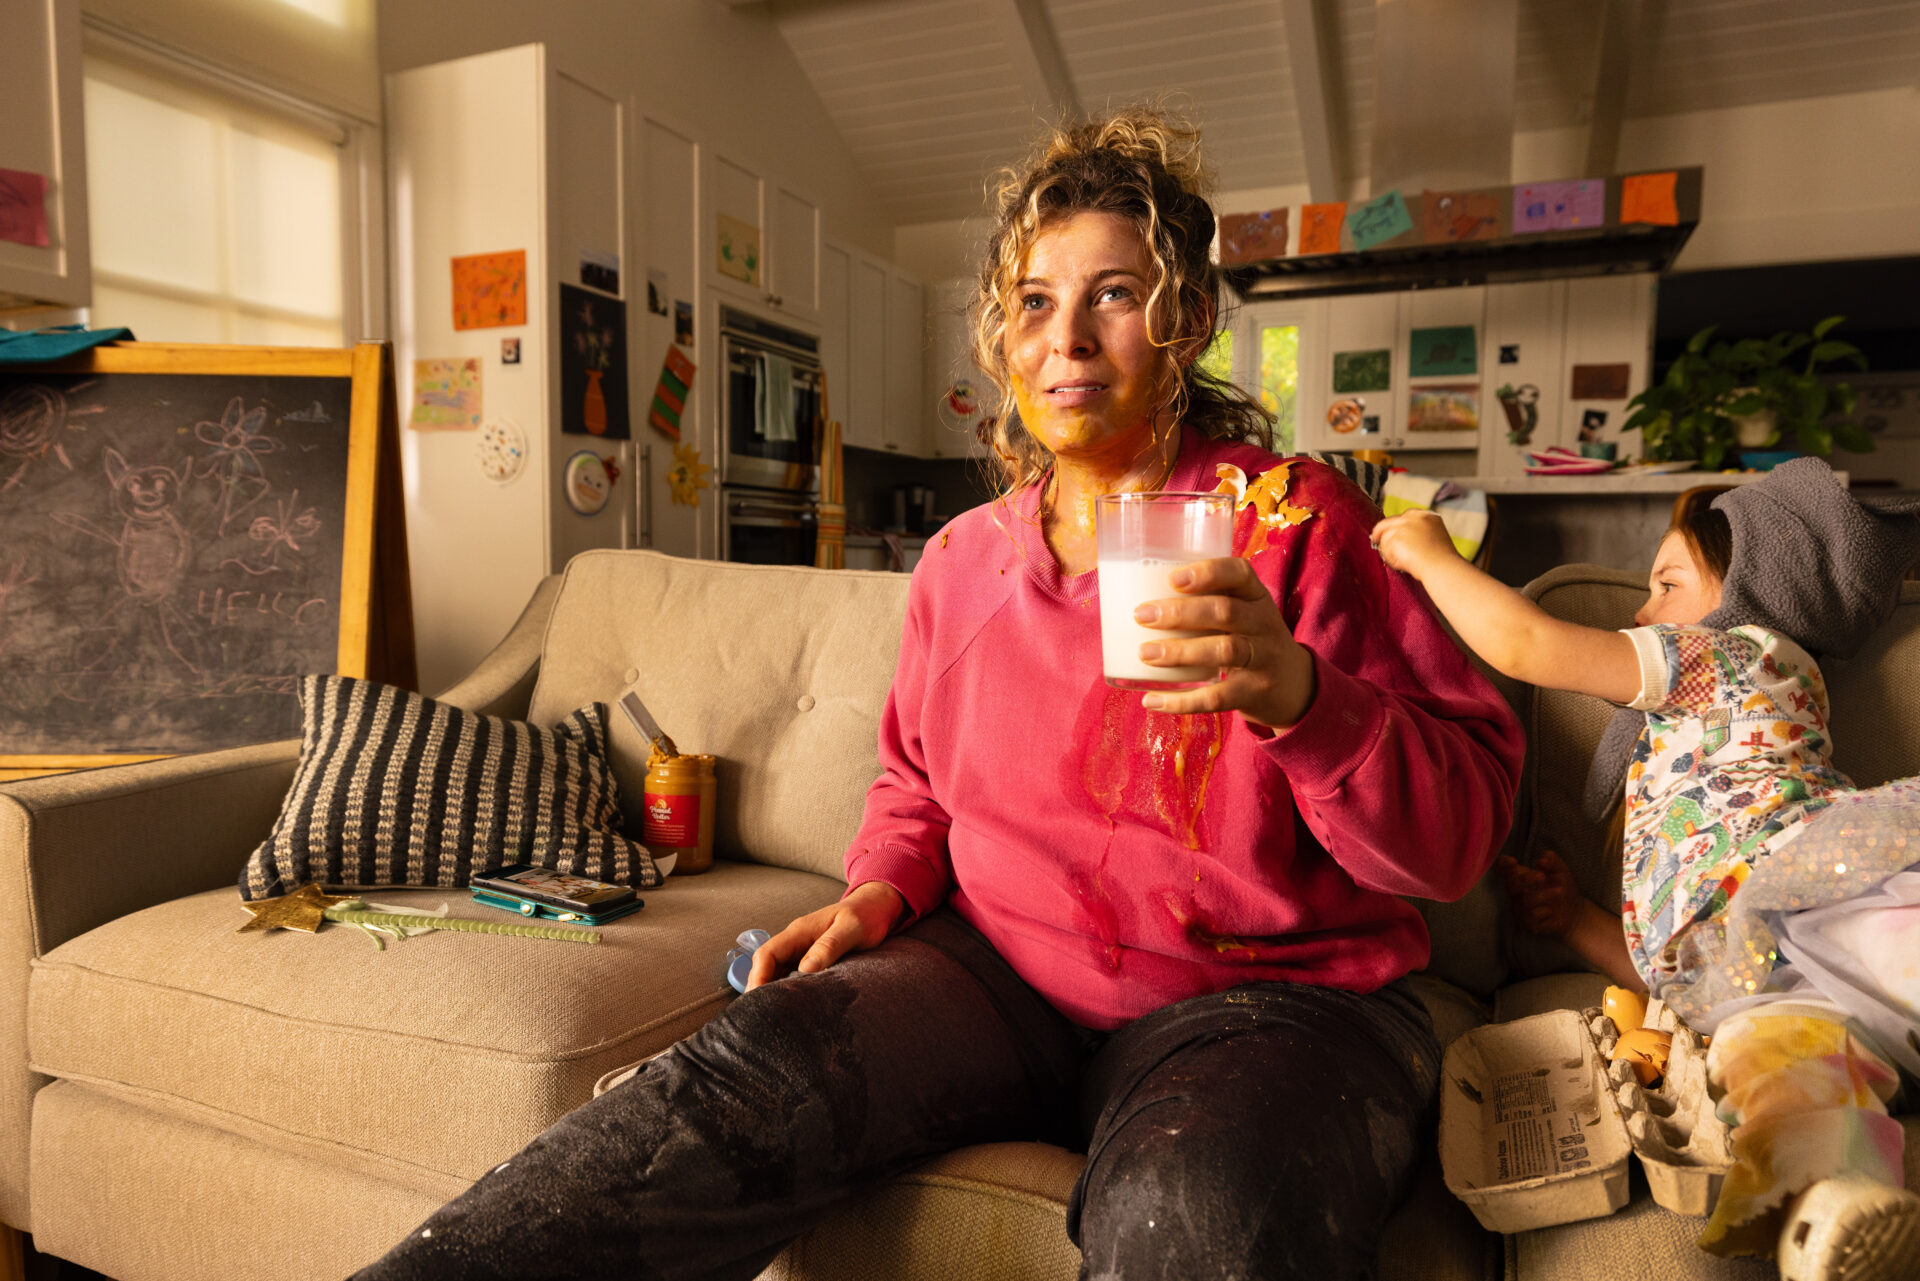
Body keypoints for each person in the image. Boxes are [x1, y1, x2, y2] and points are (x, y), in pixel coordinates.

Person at [353, 108, 1524, 1281]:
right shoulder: (965, 561)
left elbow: (1456, 845)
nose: (1067, 338)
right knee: (725, 1092)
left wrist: (1306, 701)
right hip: (1002, 973)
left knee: (1200, 1212)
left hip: (1274, 1003)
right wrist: (876, 893)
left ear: (1191, 320)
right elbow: (914, 781)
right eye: (1032, 302)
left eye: (1114, 295)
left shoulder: (1305, 527)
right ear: (999, 338)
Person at [1373, 464, 1920, 1281]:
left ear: (1753, 594)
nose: (1641, 609)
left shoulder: (1740, 658)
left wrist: (1433, 555)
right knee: (1770, 1080)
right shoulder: (1679, 755)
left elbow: (1530, 645)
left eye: (1667, 583)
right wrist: (1576, 923)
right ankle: (1838, 1197)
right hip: (1770, 992)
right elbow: (1679, 972)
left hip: (1826, 894)